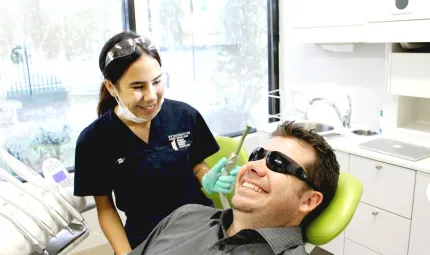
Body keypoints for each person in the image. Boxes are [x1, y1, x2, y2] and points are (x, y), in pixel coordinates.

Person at [73, 31, 239, 254]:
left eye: (157, 81)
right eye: (138, 86)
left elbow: (196, 163)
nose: (151, 96)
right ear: (111, 87)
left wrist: (206, 177)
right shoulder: (94, 140)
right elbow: (106, 208)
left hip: (202, 228)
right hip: (148, 239)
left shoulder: (184, 115)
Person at [128, 121, 340, 255]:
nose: (252, 166)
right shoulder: (186, 215)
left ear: (309, 201)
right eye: (258, 155)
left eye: (278, 163)